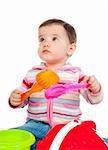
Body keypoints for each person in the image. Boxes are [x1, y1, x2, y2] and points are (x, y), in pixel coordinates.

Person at [9, 19, 103, 150]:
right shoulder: (32, 73)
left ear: (70, 48)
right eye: (41, 39)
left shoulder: (75, 74)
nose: (46, 43)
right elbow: (22, 97)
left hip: (67, 127)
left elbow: (93, 99)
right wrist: (15, 98)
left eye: (54, 38)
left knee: (86, 143)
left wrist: (94, 88)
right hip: (36, 125)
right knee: (15, 138)